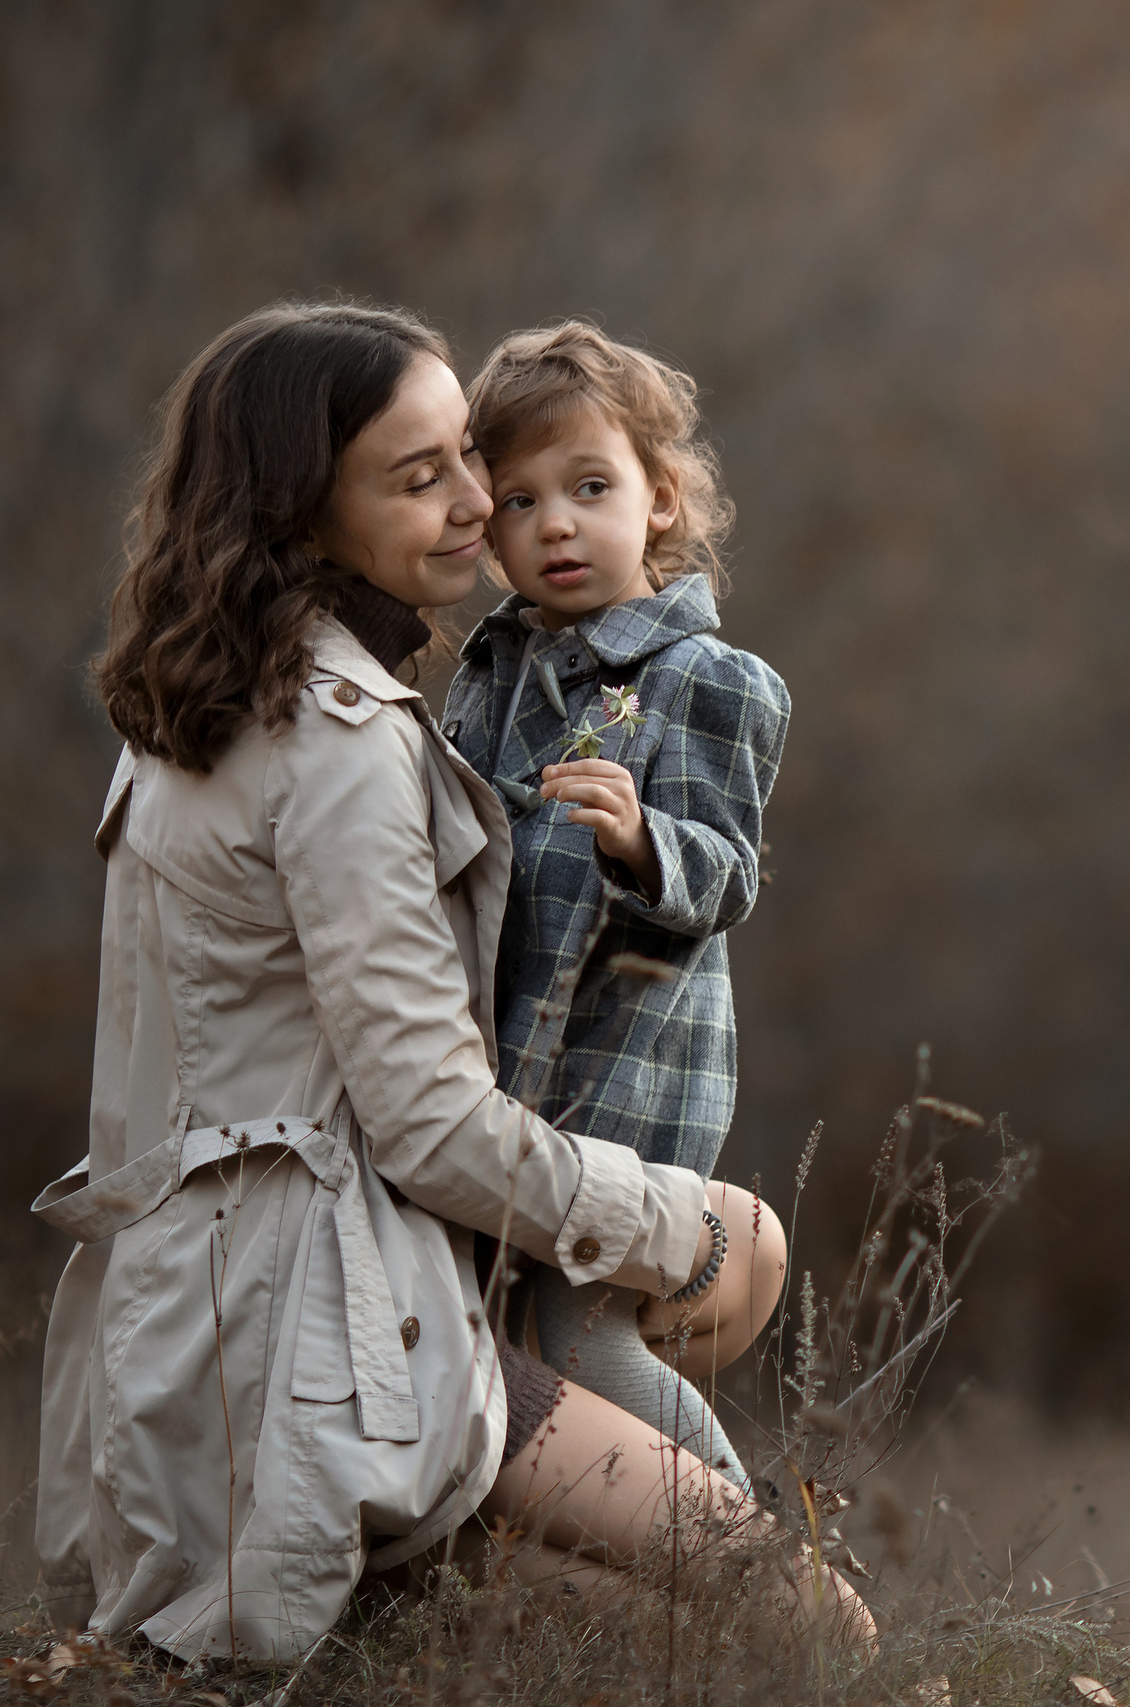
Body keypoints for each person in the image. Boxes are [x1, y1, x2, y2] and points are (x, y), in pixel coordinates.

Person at [34, 301, 869, 1664]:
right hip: (342, 1322)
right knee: (811, 1620)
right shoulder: (345, 737)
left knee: (604, 1619)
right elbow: (429, 1126)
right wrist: (683, 1227)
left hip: (200, 1319)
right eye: (425, 476)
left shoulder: (186, 707)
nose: (484, 507)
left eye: (466, 460)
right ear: (304, 513)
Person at [439, 321, 781, 1502]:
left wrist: (642, 841)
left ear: (662, 498)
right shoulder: (491, 674)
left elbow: (729, 871)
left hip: (626, 1071)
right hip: (509, 1081)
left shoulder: (705, 678)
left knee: (580, 1333)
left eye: (591, 487)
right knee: (516, 1342)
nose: (556, 525)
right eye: (519, 500)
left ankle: (762, 1572)